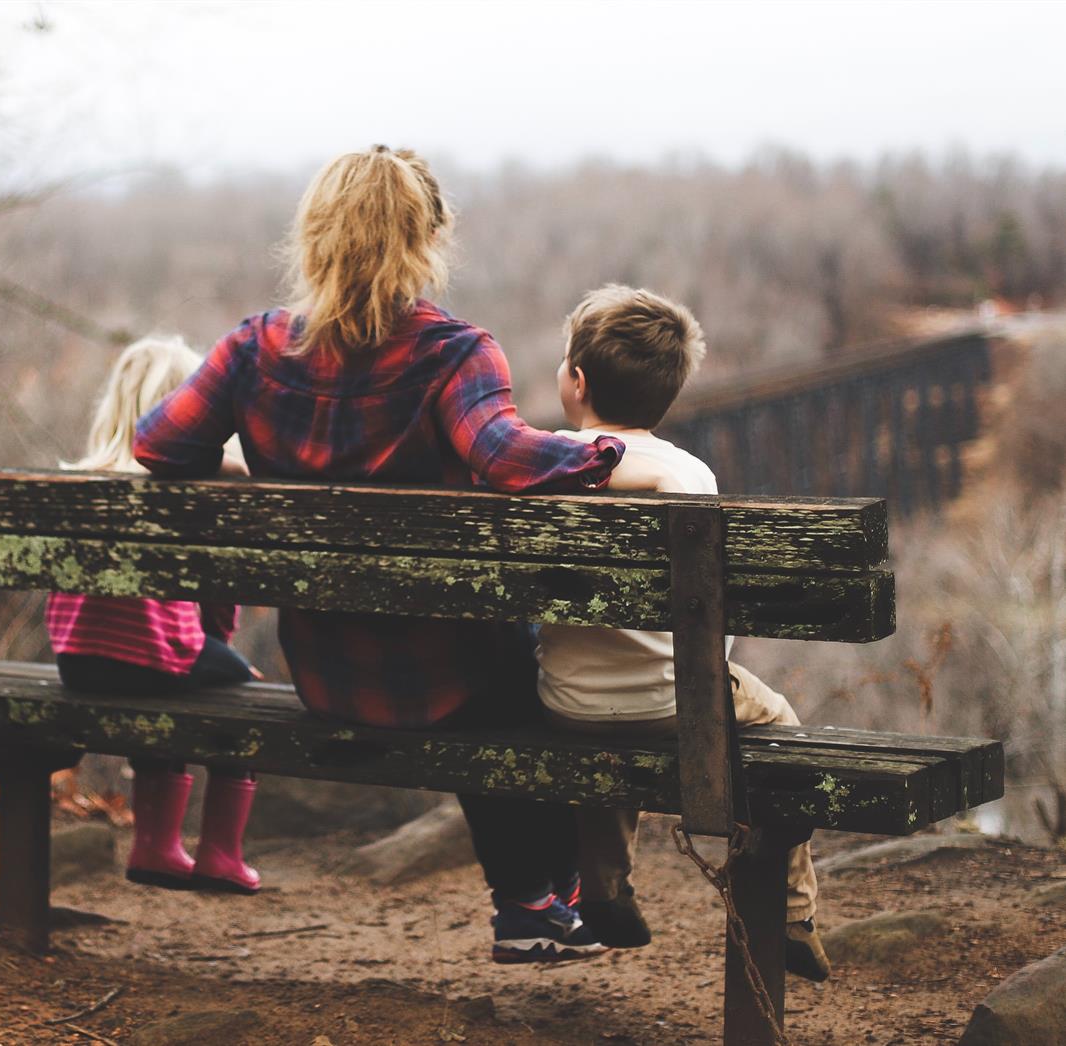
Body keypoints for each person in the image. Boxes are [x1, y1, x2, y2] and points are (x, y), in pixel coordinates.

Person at [134, 146, 628, 963]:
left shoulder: (252, 349)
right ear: (428, 238)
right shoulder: (454, 353)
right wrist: (607, 452)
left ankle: (541, 902)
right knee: (523, 666)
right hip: (449, 680)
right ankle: (538, 899)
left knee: (496, 659)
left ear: (314, 237)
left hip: (327, 674)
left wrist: (237, 464)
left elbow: (157, 445)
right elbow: (506, 457)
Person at [535, 284, 831, 981]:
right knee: (779, 723)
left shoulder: (540, 463)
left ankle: (604, 889)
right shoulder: (689, 474)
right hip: (679, 703)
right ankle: (793, 911)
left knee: (606, 717)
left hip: (567, 703)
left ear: (576, 381)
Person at [46, 335, 264, 894]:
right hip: (153, 658)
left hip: (77, 662)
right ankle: (219, 854)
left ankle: (156, 846)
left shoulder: (80, 481)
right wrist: (223, 649)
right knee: (242, 690)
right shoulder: (185, 487)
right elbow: (216, 597)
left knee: (167, 675)